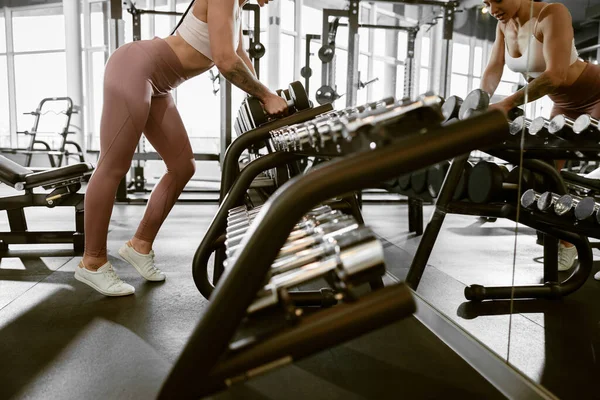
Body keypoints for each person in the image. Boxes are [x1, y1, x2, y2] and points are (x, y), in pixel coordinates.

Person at [74, 0, 288, 296]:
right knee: (113, 167)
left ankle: (140, 245)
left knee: (183, 166)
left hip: (159, 85)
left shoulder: (236, 9)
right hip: (134, 68)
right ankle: (92, 262)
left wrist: (267, 96)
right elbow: (225, 61)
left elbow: (239, 55)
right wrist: (265, 96)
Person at [480, 0, 600, 272]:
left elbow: (556, 75)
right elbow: (493, 68)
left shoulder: (552, 13)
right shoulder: (503, 25)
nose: (491, 8)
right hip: (564, 105)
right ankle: (569, 244)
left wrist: (508, 103)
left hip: (596, 93)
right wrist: (481, 103)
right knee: (547, 176)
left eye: (496, 0)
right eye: (485, 2)